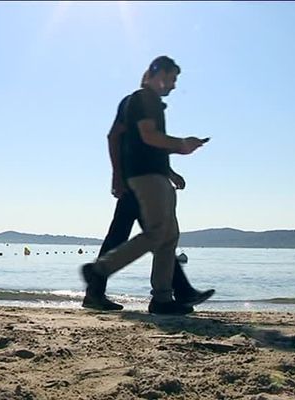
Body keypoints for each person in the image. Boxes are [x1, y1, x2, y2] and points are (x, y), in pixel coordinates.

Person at [82, 56, 208, 315]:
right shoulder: (143, 100)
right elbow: (145, 137)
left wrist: (168, 171)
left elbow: (128, 140)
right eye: (171, 78)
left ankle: (170, 294)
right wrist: (182, 144)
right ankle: (104, 275)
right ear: (157, 73)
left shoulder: (134, 101)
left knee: (157, 235)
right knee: (158, 234)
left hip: (140, 177)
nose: (173, 86)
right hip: (143, 179)